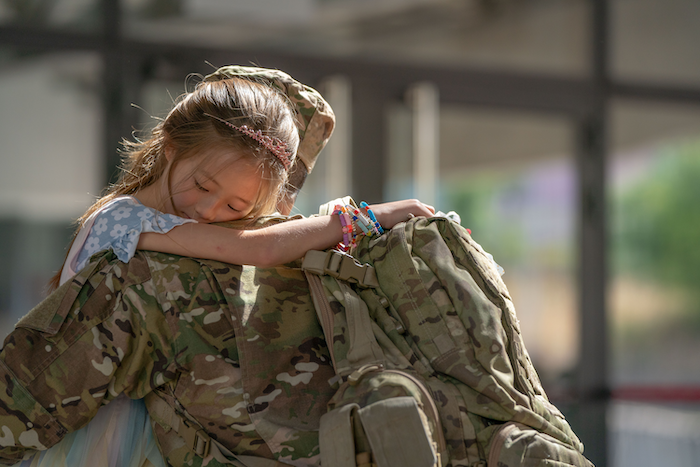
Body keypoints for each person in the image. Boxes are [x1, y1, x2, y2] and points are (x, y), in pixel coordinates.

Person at [5, 65, 432, 467]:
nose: (208, 210)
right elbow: (258, 248)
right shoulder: (125, 218)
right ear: (171, 146)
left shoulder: (165, 221)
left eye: (235, 205)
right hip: (96, 431)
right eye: (202, 185)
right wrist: (363, 219)